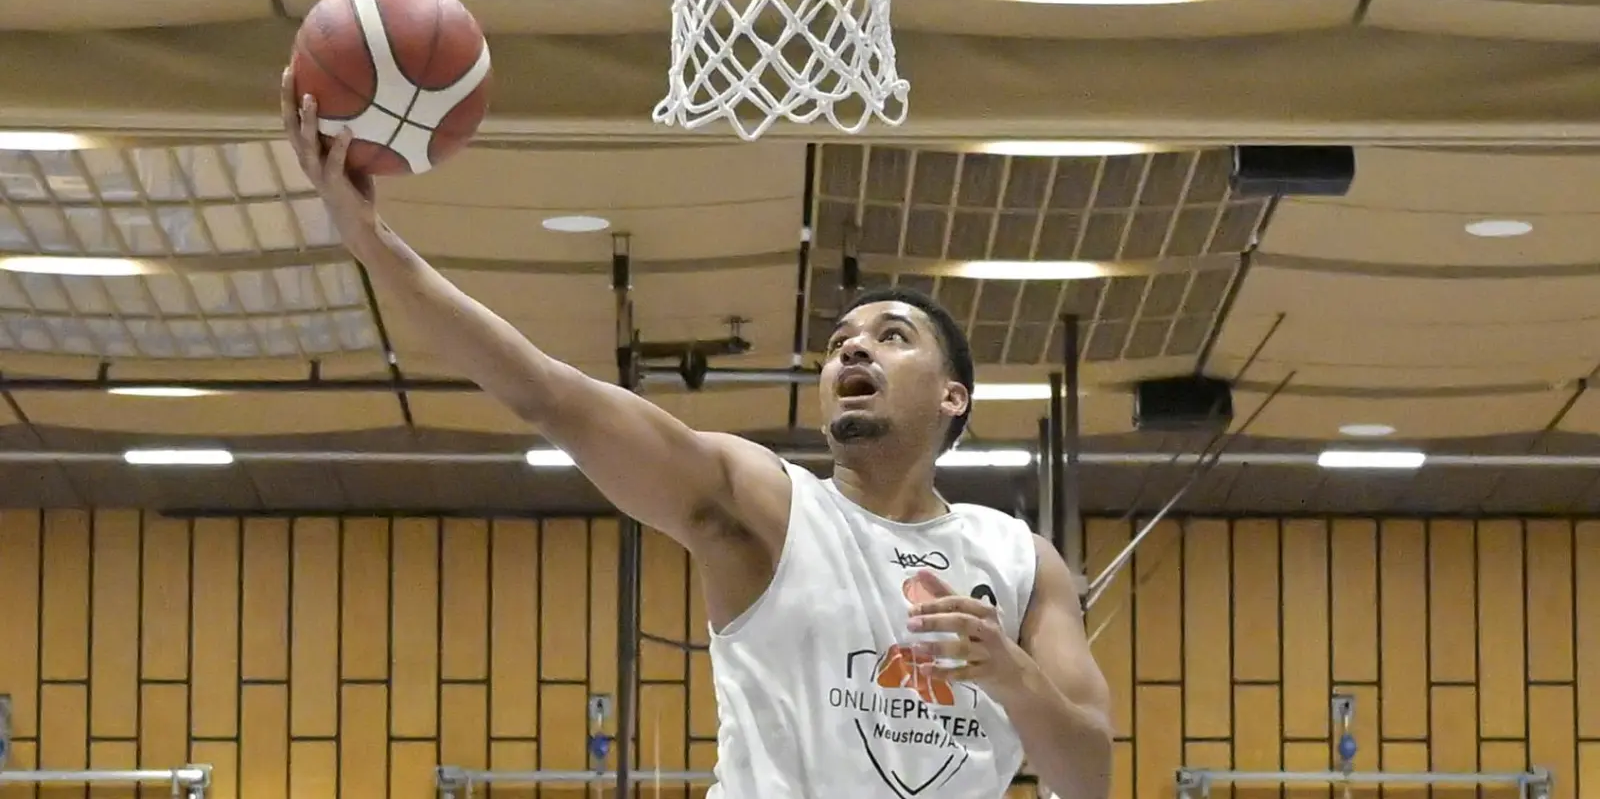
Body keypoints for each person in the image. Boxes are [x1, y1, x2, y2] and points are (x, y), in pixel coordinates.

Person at [282, 73, 1114, 799]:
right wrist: (371, 241)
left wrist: (1011, 674)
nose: (853, 347)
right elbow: (549, 395)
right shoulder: (764, 503)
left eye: (892, 335)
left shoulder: (1017, 559)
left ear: (953, 396)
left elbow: (1089, 777)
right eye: (838, 344)